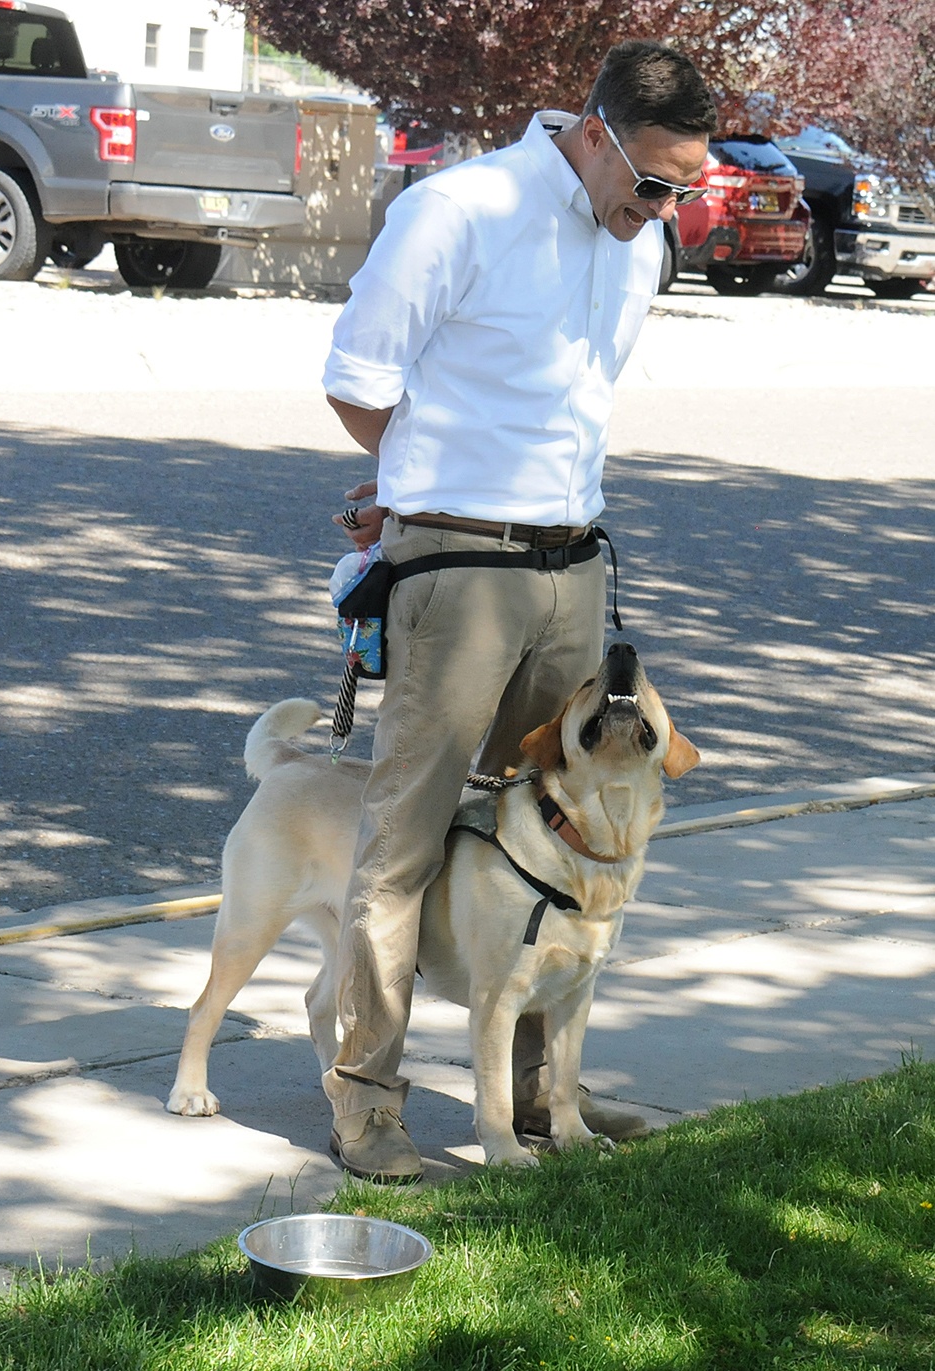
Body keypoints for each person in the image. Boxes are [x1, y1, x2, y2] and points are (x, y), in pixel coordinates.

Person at [321, 39, 717, 1181]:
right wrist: (415, 490)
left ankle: (547, 1101)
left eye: (684, 187)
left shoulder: (637, 239)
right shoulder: (461, 209)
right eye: (648, 182)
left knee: (552, 825)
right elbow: (357, 376)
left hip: (574, 564)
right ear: (589, 132)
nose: (662, 210)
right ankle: (367, 1104)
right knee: (403, 840)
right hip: (459, 568)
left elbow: (566, 402)